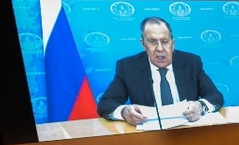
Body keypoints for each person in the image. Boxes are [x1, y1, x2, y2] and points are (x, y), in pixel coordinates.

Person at [96, 17, 224, 125]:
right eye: (152, 42)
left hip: (187, 132)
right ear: (143, 44)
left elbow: (215, 97)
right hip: (149, 137)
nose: (160, 48)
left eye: (165, 41)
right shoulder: (128, 67)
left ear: (173, 43)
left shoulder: (191, 62)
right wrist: (124, 112)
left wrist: (200, 107)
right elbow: (106, 104)